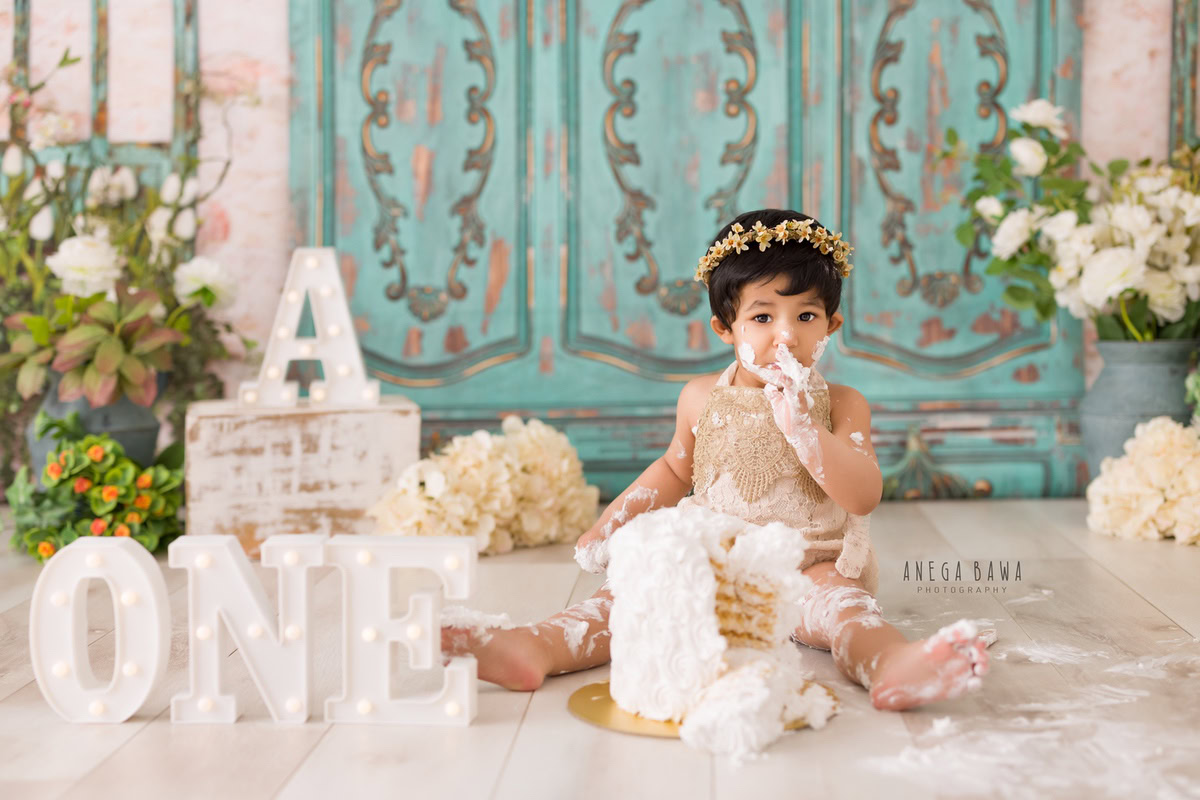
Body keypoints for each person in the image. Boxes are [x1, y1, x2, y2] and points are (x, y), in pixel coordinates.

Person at [442, 209, 990, 711]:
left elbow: (863, 494)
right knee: (625, 600)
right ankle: (532, 648)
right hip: (708, 557)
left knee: (846, 610)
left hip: (806, 565)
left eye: (805, 315)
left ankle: (889, 663)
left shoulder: (842, 405)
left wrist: (806, 434)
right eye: (761, 317)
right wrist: (611, 522)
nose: (786, 336)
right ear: (725, 329)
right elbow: (675, 471)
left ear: (832, 326)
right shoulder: (701, 397)